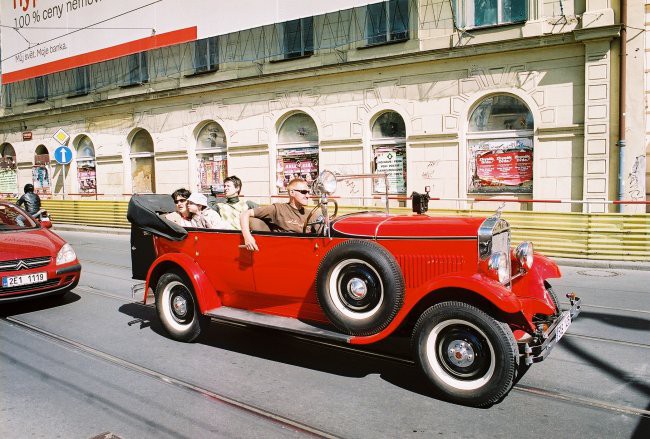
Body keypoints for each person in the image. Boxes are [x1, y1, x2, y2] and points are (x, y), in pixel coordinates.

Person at [240, 177, 313, 251]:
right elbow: (245, 214)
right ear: (292, 193)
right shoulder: (278, 209)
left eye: (308, 192)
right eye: (304, 192)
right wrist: (247, 237)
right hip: (284, 251)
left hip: (307, 250)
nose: (308, 196)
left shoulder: (311, 214)